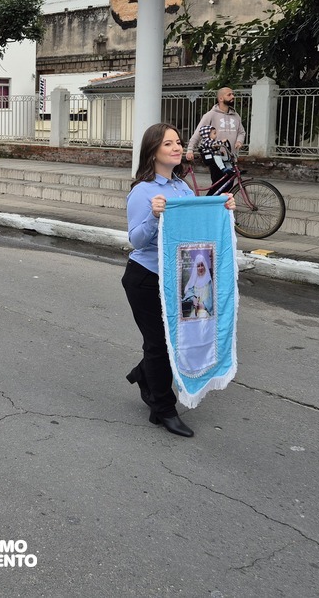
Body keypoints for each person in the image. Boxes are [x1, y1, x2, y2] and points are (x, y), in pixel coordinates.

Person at [123, 122, 235, 439]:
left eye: (178, 142)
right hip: (146, 279)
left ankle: (144, 373)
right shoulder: (142, 191)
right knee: (158, 344)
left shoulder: (182, 188)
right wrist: (153, 215)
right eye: (168, 144)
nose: (177, 148)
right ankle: (163, 409)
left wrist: (222, 207)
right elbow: (136, 240)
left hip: (177, 279)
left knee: (171, 340)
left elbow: (194, 225)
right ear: (152, 151)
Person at [186, 87, 246, 185]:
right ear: (220, 98)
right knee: (218, 186)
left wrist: (239, 141)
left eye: (233, 94)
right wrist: (190, 149)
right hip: (216, 156)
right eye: (229, 95)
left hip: (230, 157)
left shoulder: (236, 116)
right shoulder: (210, 115)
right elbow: (198, 133)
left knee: (229, 186)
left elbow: (241, 132)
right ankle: (211, 196)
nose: (233, 96)